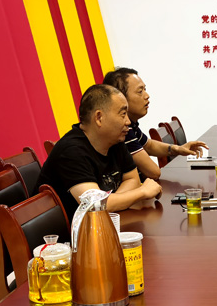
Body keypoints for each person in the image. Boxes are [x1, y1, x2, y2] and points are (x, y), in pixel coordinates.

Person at [36, 84, 162, 217]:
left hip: (100, 223)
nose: (128, 122)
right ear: (99, 118)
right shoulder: (71, 151)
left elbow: (132, 179)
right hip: (65, 230)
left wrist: (111, 202)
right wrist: (142, 192)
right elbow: (94, 205)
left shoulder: (115, 140)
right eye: (123, 114)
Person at [102, 67, 207, 180]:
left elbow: (148, 145)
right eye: (140, 91)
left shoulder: (132, 125)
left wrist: (178, 149)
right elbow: (153, 172)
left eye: (145, 89)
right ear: (121, 98)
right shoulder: (123, 130)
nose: (147, 95)